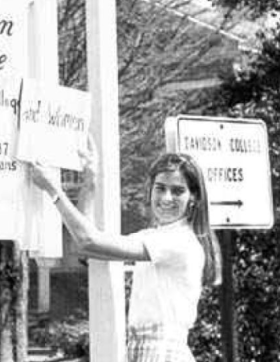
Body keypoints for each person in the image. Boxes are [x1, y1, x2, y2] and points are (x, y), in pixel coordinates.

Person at [26, 135, 221, 362]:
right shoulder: (156, 236)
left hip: (163, 351)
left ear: (193, 198)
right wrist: (90, 182)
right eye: (160, 188)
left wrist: (53, 190)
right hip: (145, 349)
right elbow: (87, 246)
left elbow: (89, 241)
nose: (166, 198)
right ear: (150, 190)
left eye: (178, 191)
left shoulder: (180, 241)